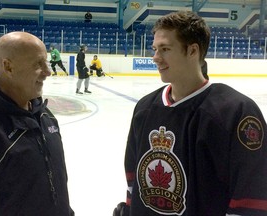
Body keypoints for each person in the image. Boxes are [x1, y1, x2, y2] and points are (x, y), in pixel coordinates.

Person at [113, 11, 267, 216]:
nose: (155, 58)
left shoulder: (235, 112)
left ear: (192, 50)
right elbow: (134, 179)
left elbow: (251, 199)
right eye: (155, 49)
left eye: (165, 49)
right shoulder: (145, 108)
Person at [0, 32, 74, 215]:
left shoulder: (45, 116)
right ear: (8, 67)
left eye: (46, 62)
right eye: (38, 64)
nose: (47, 71)